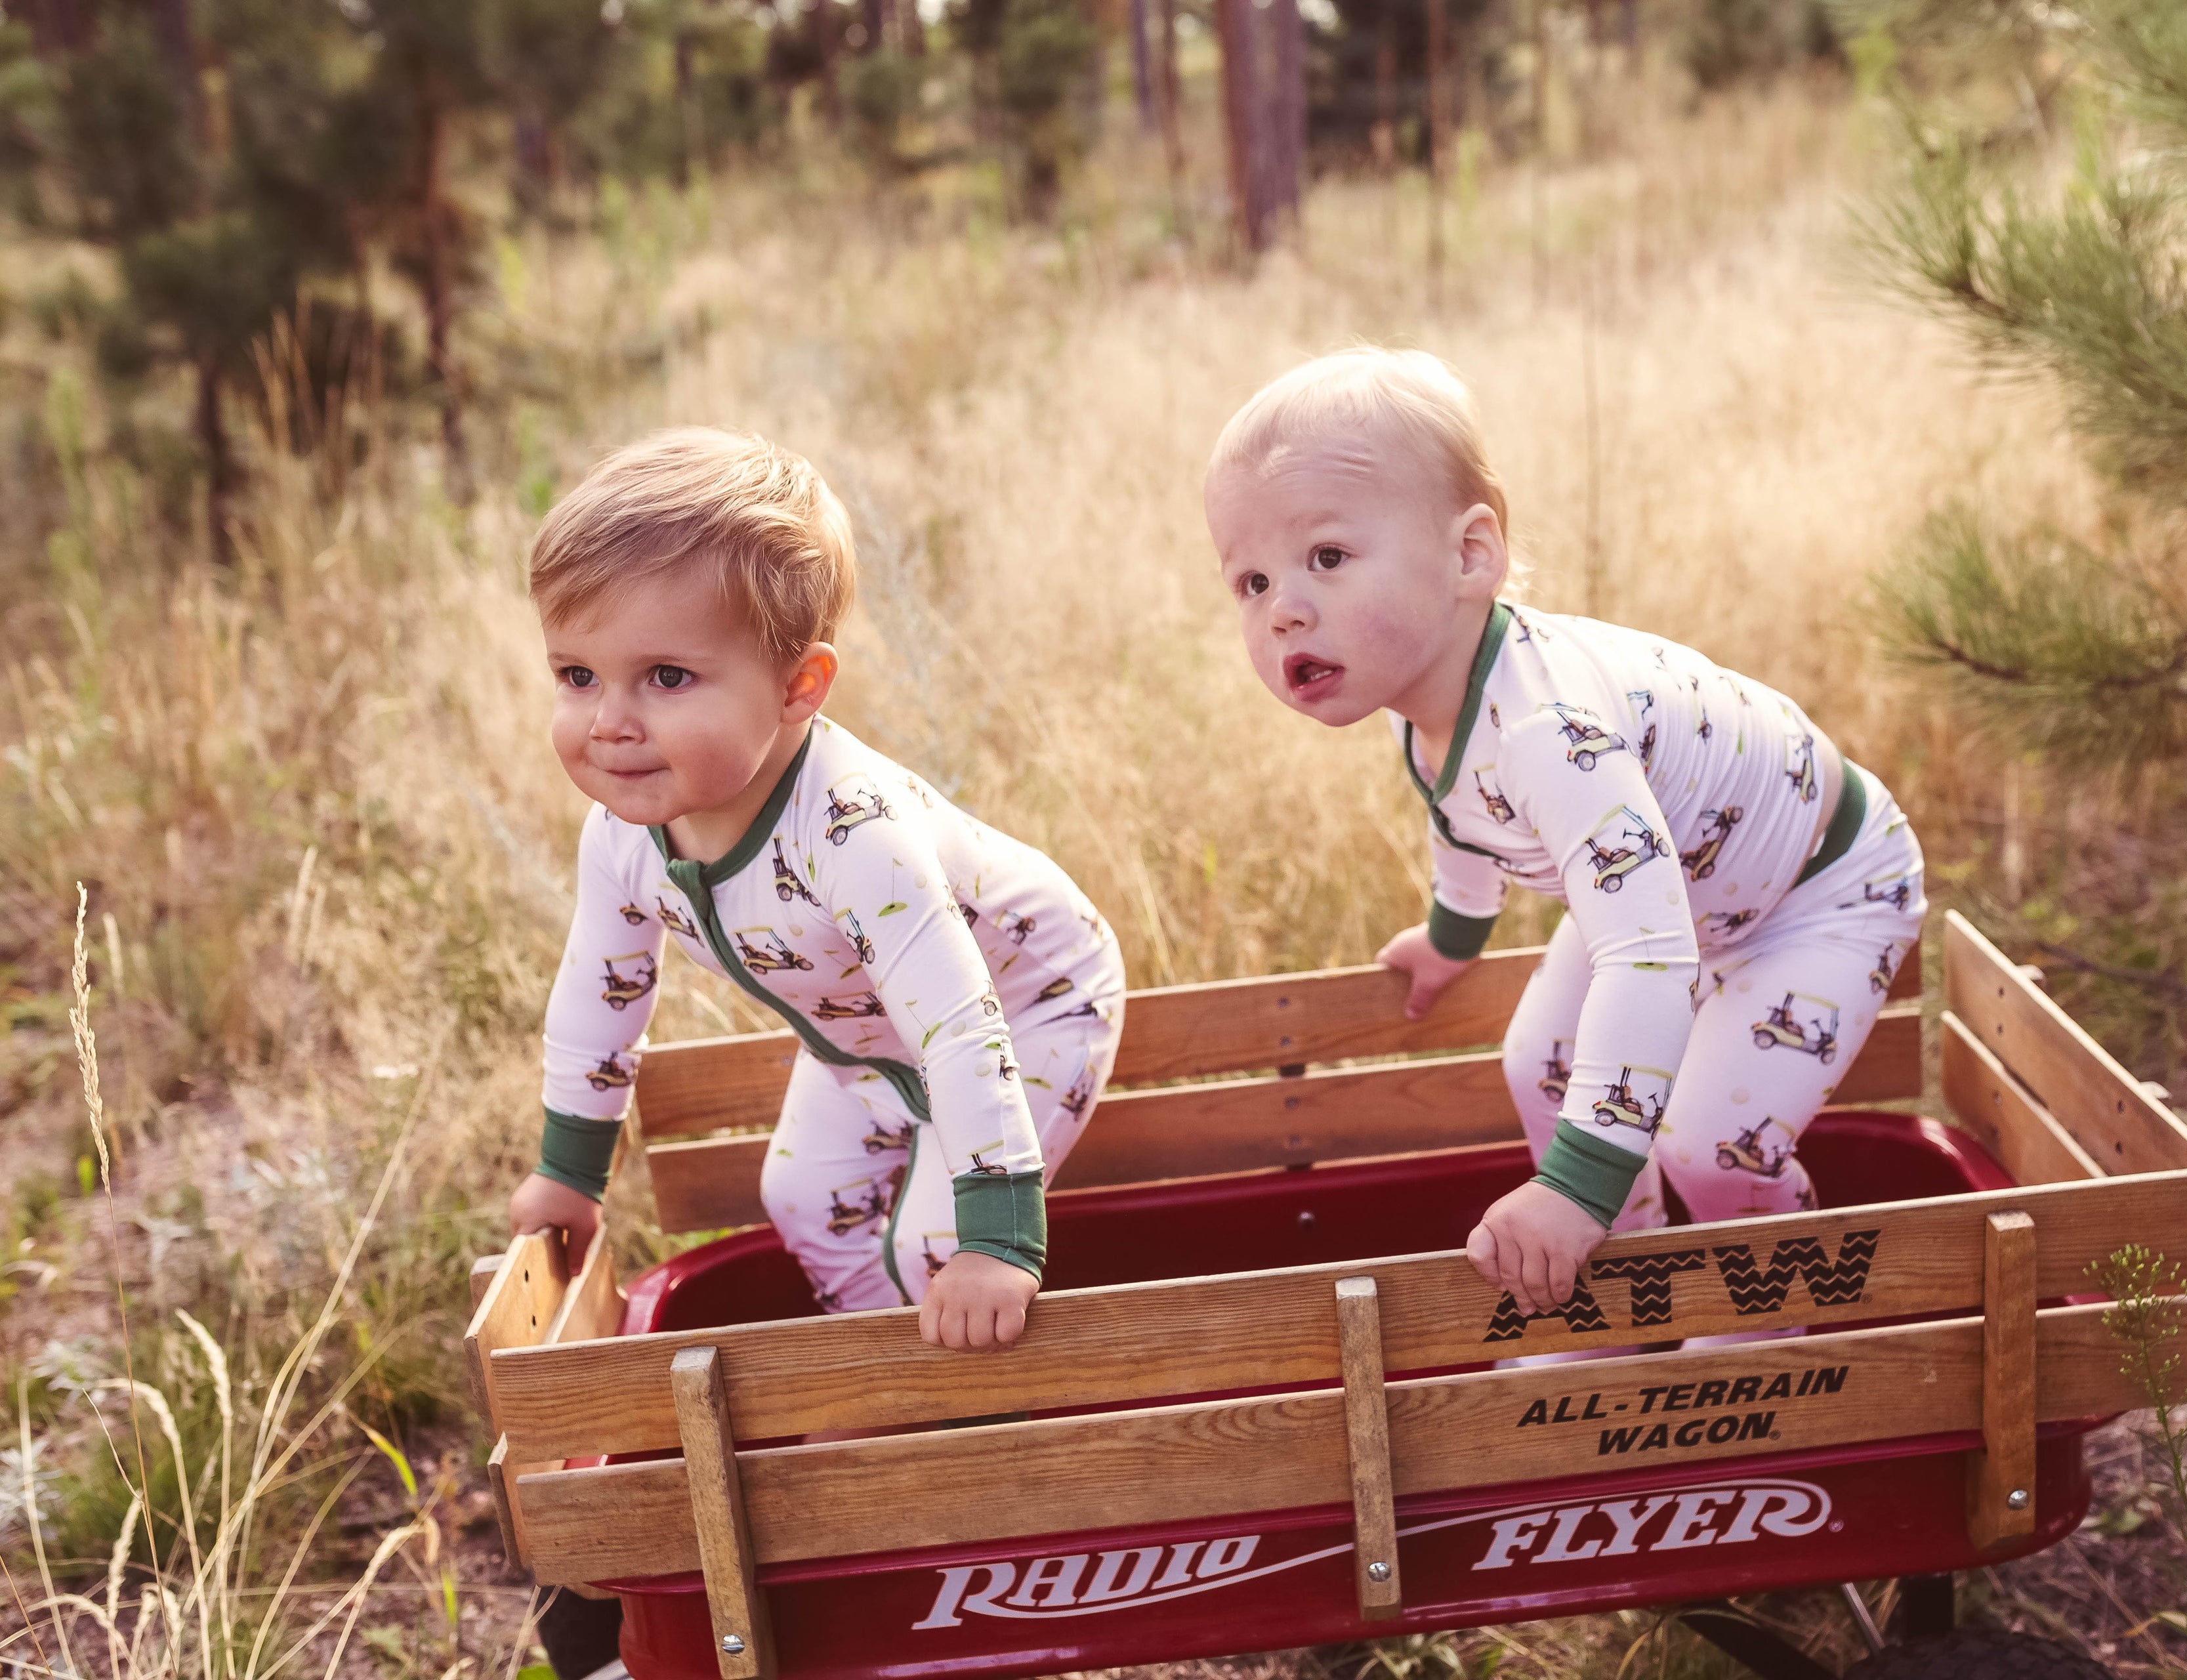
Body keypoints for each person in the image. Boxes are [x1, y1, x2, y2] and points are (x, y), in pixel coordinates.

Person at [1203, 348, 1923, 1322]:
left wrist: (1571, 1184)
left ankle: (1773, 1323)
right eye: (1251, 581)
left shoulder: (1552, 733)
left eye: (1326, 558)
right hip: (1671, 887)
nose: (1284, 608)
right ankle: (1629, 1294)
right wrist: (1454, 932)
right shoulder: (1423, 698)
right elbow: (1464, 812)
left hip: (1815, 891)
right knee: (1534, 1062)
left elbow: (1647, 952)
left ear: (1471, 556)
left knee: (1711, 1146)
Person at [507, 428, 1124, 1353]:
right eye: (578, 675)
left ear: (800, 687)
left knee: (940, 1246)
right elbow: (601, 994)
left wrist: (997, 1239)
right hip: (866, 1036)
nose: (610, 723)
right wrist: (571, 1170)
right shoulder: (625, 837)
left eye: (667, 677)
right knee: (798, 1198)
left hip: (1029, 1006)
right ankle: (892, 1382)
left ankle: (973, 1414)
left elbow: (960, 1024)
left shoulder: (855, 836)